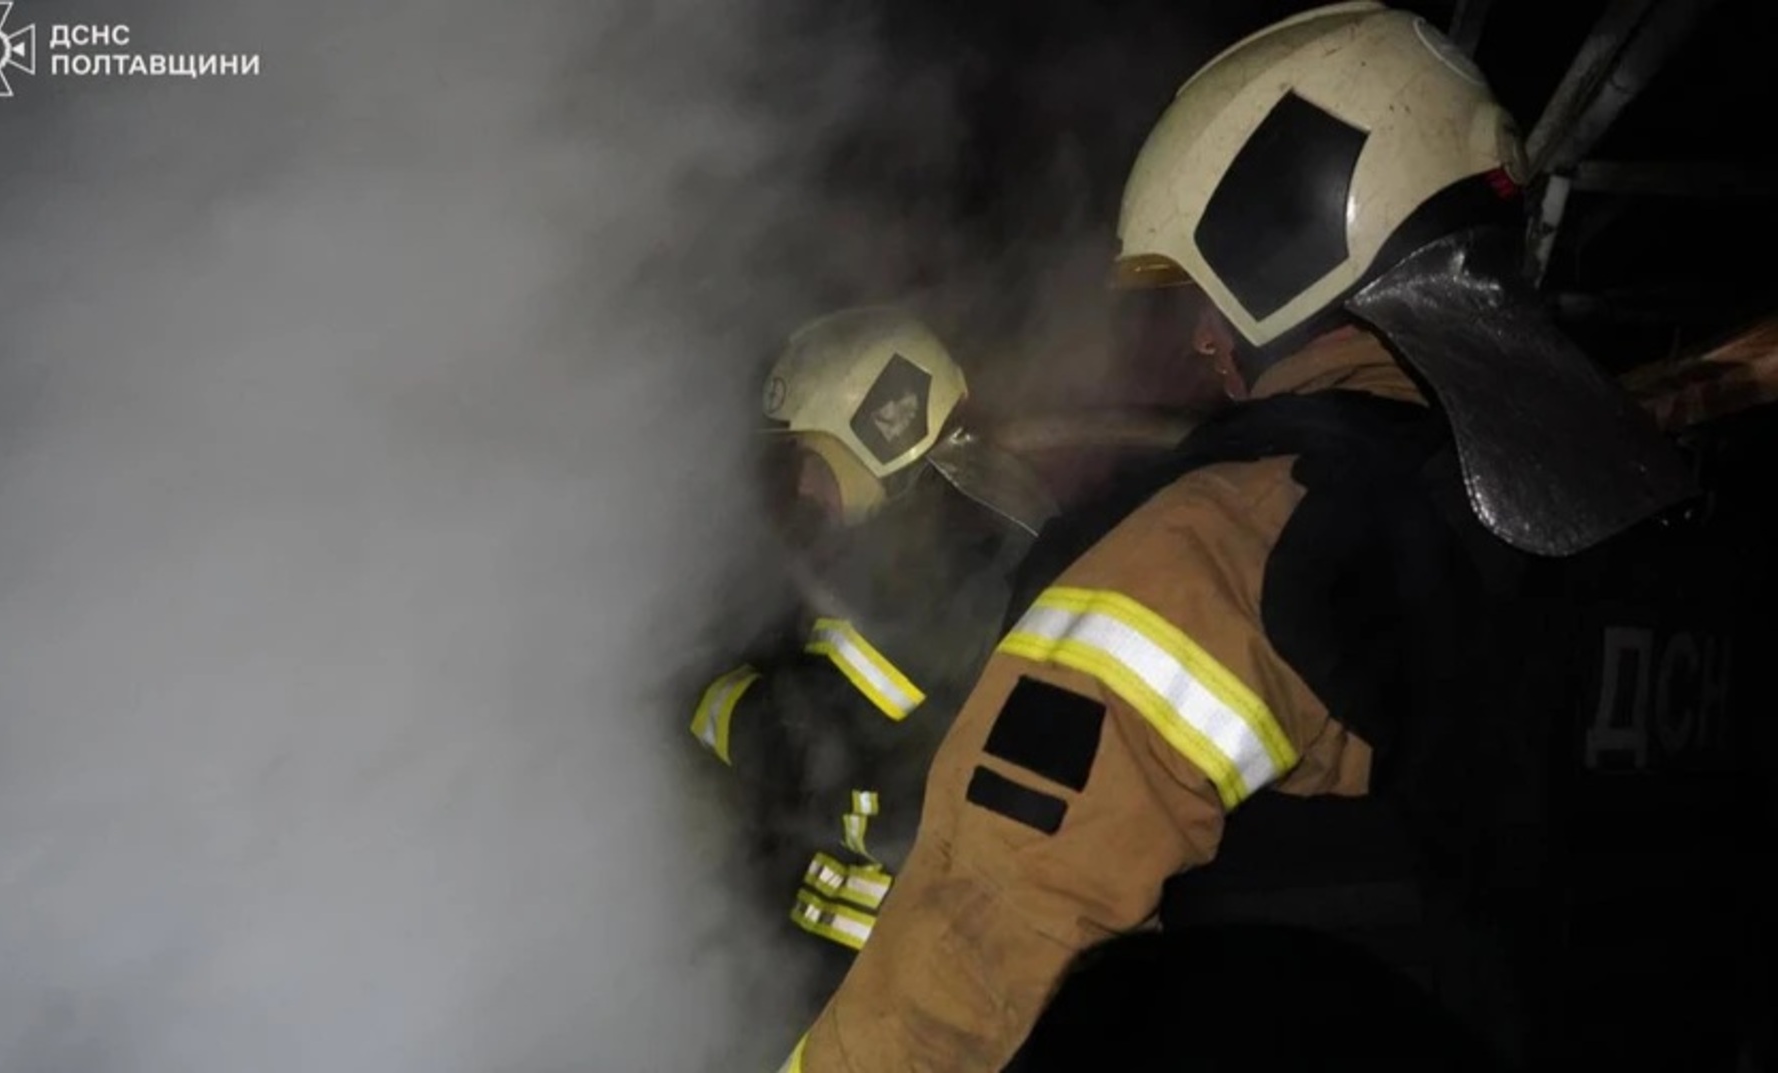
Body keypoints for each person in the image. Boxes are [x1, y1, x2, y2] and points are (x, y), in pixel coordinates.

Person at [774, 4, 1696, 1070]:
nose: (1204, 340)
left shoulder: (1229, 533)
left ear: (1292, 247)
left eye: (1211, 296)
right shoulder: (1661, 529)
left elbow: (979, 937)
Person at [687, 305, 1062, 985]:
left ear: (878, 441)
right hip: (917, 938)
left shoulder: (935, 560)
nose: (803, 485)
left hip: (919, 955)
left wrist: (695, 696)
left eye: (814, 460)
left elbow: (819, 737)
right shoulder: (969, 513)